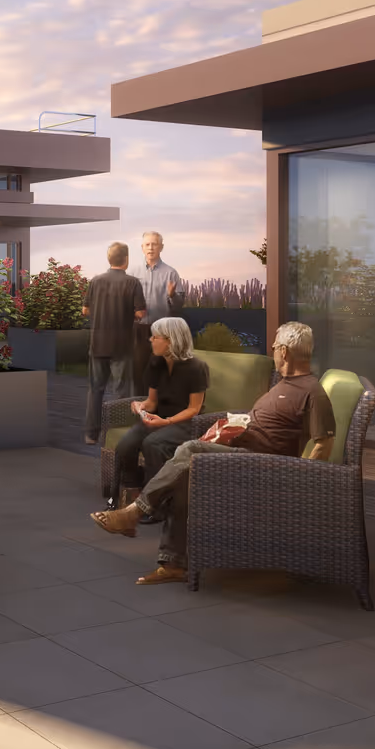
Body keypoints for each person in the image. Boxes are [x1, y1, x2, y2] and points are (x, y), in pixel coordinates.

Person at [90, 321, 336, 585]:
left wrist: (296, 480)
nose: (273, 351)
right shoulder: (285, 384)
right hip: (243, 452)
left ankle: (134, 513)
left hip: (263, 466)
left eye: (275, 347)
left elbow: (323, 443)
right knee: (184, 476)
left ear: (285, 352)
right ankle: (173, 564)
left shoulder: (311, 391)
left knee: (190, 448)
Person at [109, 316, 212, 508]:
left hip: (186, 423)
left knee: (153, 444)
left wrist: (165, 422)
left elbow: (194, 408)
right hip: (159, 418)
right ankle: (133, 493)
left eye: (155, 337)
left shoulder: (197, 368)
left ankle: (155, 504)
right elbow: (152, 402)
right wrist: (141, 406)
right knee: (125, 445)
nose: (151, 340)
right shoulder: (156, 363)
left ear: (171, 340)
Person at [81, 241, 146, 445]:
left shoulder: (95, 281)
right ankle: (115, 435)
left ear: (109, 259)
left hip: (98, 343)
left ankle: (91, 434)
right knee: (121, 390)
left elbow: (85, 310)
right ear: (126, 260)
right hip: (122, 345)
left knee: (95, 389)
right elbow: (140, 313)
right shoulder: (133, 283)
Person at [131, 231, 183, 397]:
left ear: (161, 247)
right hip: (138, 329)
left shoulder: (171, 273)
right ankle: (139, 409)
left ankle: (160, 410)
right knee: (138, 370)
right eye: (147, 244)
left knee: (160, 370)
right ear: (142, 248)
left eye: (154, 244)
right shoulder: (133, 272)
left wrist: (172, 295)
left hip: (161, 331)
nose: (151, 247)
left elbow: (179, 306)